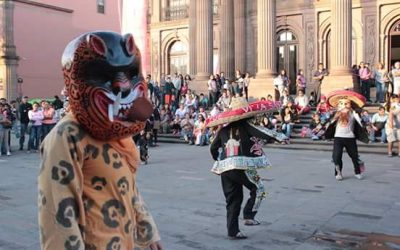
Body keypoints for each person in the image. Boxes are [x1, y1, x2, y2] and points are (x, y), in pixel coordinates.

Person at [38, 31, 162, 250]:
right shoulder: (67, 136)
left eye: (130, 73)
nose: (123, 86)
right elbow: (58, 214)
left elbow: (128, 190)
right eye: (105, 76)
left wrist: (147, 231)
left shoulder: (119, 136)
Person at [207, 97, 287, 240]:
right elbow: (263, 132)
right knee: (259, 189)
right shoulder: (246, 125)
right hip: (243, 166)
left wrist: (219, 159)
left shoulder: (223, 130)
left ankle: (233, 231)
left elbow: (213, 148)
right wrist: (281, 137)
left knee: (233, 199)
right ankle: (249, 215)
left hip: (225, 168)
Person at [325, 90, 369, 180]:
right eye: (341, 103)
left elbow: (361, 123)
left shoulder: (353, 114)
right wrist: (334, 118)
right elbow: (327, 124)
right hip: (338, 138)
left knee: (354, 156)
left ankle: (357, 171)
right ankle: (338, 172)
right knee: (336, 157)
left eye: (346, 103)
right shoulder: (335, 114)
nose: (344, 105)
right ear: (338, 105)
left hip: (350, 138)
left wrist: (361, 119)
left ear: (350, 105)